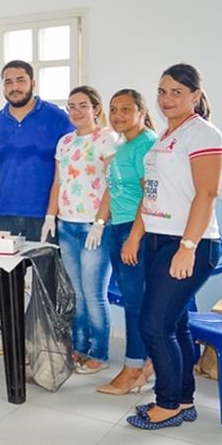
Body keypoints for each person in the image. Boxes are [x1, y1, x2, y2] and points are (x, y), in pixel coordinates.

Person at [127, 63, 222, 430]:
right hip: (158, 237)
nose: (166, 99)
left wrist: (188, 246)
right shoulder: (167, 134)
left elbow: (207, 194)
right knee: (175, 323)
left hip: (188, 242)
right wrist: (137, 234)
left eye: (176, 92)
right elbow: (152, 192)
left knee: (153, 325)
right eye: (162, 91)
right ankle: (183, 399)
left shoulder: (202, 134)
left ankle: (167, 404)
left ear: (195, 95)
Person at [0, 59, 74, 355]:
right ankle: (9, 334)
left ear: (33, 83)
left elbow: (73, 159)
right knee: (6, 278)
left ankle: (40, 338)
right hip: (5, 213)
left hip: (44, 214)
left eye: (20, 80)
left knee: (45, 280)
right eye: (8, 82)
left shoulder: (56, 117)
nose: (14, 87)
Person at [44, 86, 117, 373]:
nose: (75, 112)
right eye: (71, 106)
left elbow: (113, 184)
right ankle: (79, 347)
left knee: (93, 293)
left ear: (96, 108)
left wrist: (100, 221)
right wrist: (50, 216)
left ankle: (99, 353)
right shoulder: (65, 142)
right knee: (75, 293)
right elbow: (58, 182)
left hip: (94, 228)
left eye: (82, 105)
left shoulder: (108, 139)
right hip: (67, 226)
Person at [95, 89, 157, 394]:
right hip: (118, 227)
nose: (118, 115)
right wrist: (99, 223)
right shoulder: (123, 144)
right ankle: (146, 364)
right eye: (114, 109)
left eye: (126, 109)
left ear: (141, 112)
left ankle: (133, 369)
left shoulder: (147, 145)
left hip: (137, 230)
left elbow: (150, 196)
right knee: (136, 301)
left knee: (136, 303)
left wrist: (133, 238)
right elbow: (112, 189)